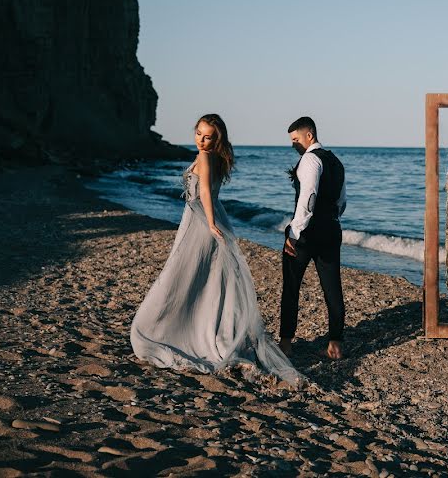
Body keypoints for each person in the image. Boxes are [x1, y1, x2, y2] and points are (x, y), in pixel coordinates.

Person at [131, 114, 301, 385]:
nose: (201, 139)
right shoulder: (213, 157)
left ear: (216, 138)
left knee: (186, 274)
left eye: (207, 136)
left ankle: (183, 330)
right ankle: (204, 327)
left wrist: (209, 222)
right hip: (204, 218)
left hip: (202, 219)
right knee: (205, 276)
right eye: (198, 133)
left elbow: (206, 194)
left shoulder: (206, 157)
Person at [280, 116, 347, 360]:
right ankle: (335, 346)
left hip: (307, 233)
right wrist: (330, 220)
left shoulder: (309, 159)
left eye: (296, 139)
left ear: (309, 136)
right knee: (332, 288)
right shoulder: (336, 161)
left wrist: (294, 232)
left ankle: (286, 344)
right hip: (332, 230)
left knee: (291, 287)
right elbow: (342, 201)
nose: (293, 145)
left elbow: (307, 199)